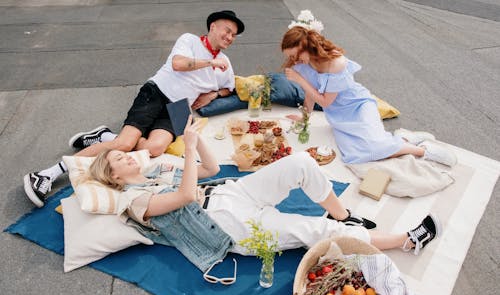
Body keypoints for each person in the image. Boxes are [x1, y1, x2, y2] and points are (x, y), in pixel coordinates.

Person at [88, 115, 441, 276]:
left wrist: (198, 140)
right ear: (115, 178)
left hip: (231, 192)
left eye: (122, 153)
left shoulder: (158, 170)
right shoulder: (133, 201)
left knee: (300, 162)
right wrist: (189, 151)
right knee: (311, 231)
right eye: (117, 159)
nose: (125, 155)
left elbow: (209, 171)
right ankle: (405, 241)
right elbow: (183, 197)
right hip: (226, 226)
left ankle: (342, 214)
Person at [23, 10, 245, 208]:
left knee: (155, 149)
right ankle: (46, 174)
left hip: (179, 108)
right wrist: (209, 63)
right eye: (227, 30)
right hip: (157, 92)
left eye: (234, 35)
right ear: (213, 26)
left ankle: (104, 136)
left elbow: (230, 87)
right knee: (124, 144)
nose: (230, 37)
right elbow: (178, 64)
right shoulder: (189, 40)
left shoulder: (225, 61)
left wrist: (213, 94)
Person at [280, 25, 457, 166]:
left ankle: (424, 151)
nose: (294, 61)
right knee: (355, 155)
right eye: (290, 57)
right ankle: (406, 138)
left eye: (295, 55)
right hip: (339, 116)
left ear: (307, 46)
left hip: (358, 105)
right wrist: (304, 118)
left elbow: (325, 101)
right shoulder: (302, 66)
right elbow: (310, 96)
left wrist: (299, 81)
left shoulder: (336, 62)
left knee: (375, 146)